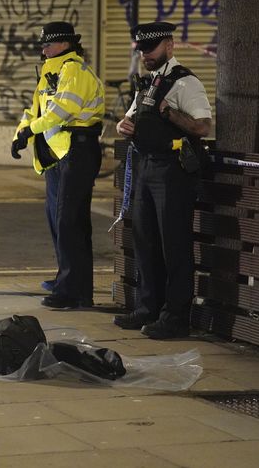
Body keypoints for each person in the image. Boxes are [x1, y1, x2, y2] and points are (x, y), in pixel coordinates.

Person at [113, 22, 211, 340]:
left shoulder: (185, 82)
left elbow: (202, 127)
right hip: (146, 167)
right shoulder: (147, 83)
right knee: (145, 241)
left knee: (174, 245)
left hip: (172, 170)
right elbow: (129, 118)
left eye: (151, 48)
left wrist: (170, 113)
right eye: (141, 49)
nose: (146, 55)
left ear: (169, 46)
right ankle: (148, 308)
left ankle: (175, 317)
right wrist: (123, 126)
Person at [11, 21, 105, 309]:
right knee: (58, 221)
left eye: (48, 44)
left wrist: (30, 131)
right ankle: (67, 279)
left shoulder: (73, 71)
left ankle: (74, 292)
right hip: (57, 156)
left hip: (77, 152)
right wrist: (20, 134)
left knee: (70, 222)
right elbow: (35, 110)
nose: (43, 49)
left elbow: (60, 112)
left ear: (65, 43)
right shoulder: (50, 71)